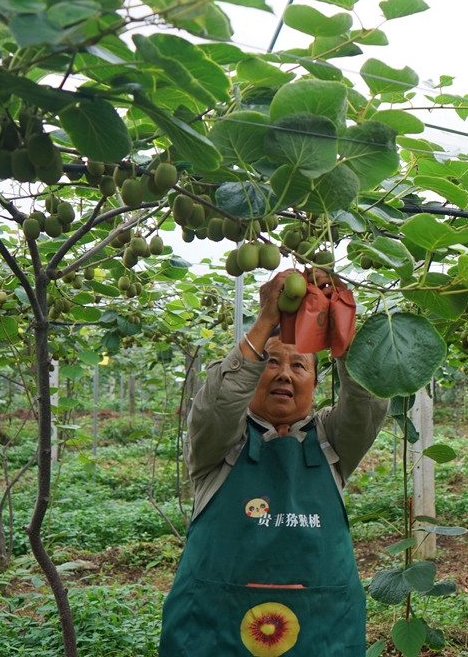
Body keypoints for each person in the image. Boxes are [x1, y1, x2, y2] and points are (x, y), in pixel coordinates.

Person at [160, 268, 389, 657]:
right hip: (213, 631)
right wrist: (266, 318)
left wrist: (342, 338)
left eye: (299, 366)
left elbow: (368, 403)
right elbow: (216, 404)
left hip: (320, 631)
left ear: (315, 386)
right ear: (251, 375)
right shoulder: (221, 442)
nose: (284, 373)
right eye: (271, 362)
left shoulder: (332, 440)